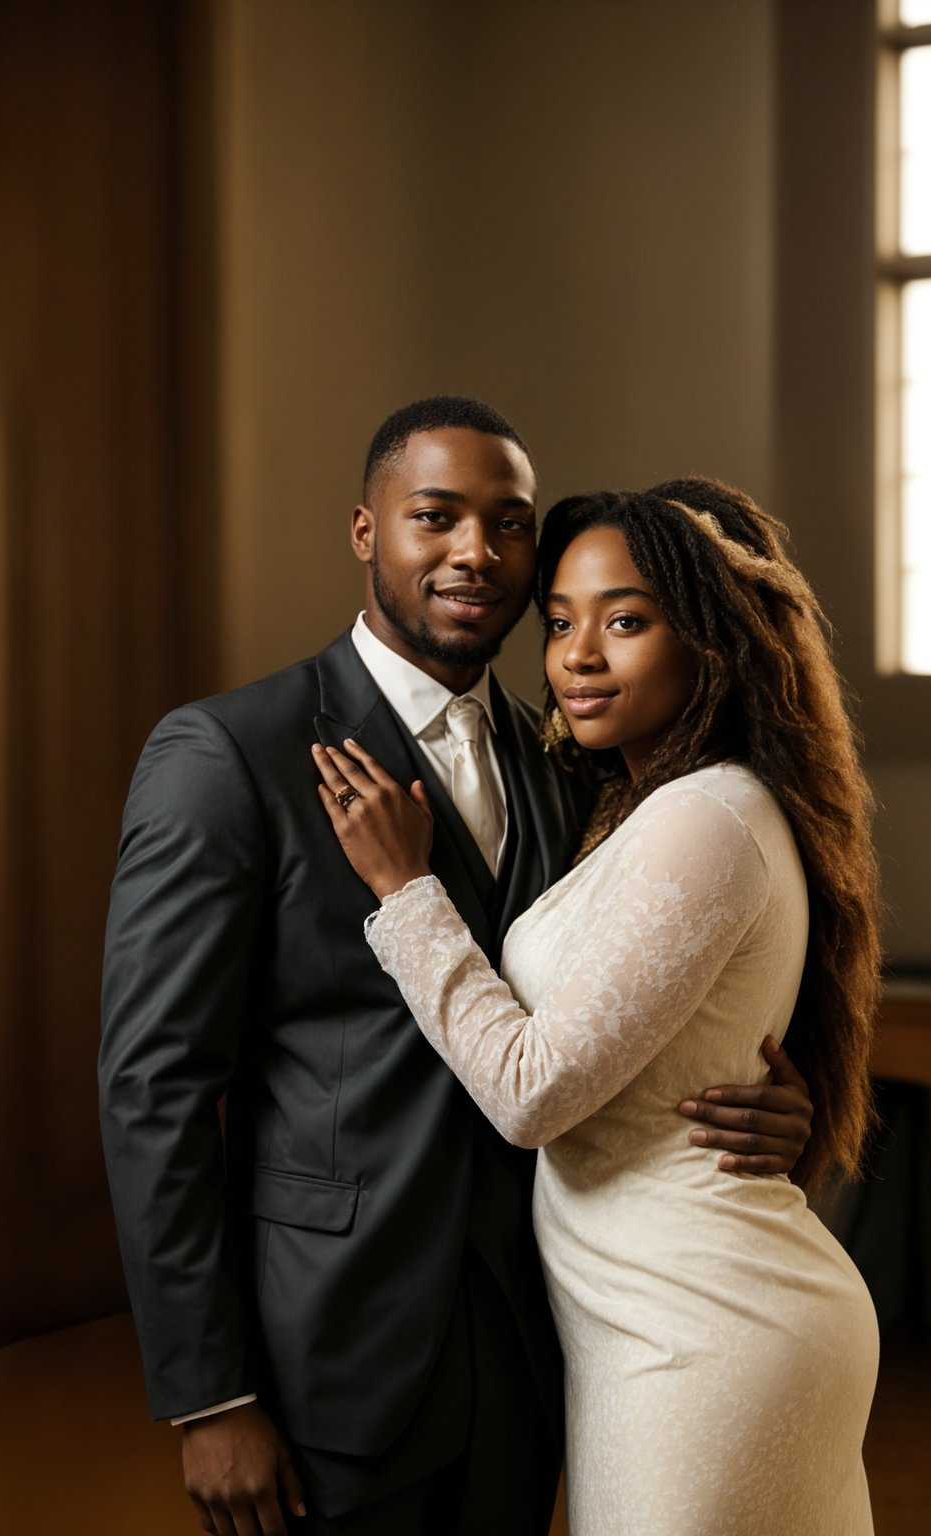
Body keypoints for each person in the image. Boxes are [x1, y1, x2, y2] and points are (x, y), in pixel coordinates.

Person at [99, 402, 815, 1536]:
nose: (476, 551)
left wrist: (775, 1097)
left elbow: (629, 994)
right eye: (435, 516)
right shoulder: (229, 755)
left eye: (510, 525)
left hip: (537, 1346)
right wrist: (208, 1392)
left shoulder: (576, 762)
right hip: (328, 1354)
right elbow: (155, 1089)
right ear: (364, 532)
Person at [313, 478, 881, 1535]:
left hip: (702, 1325)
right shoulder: (637, 804)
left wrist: (406, 895)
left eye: (625, 620)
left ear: (711, 641)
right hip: (648, 1317)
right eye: (561, 622)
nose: (577, 655)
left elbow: (533, 1094)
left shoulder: (707, 816)